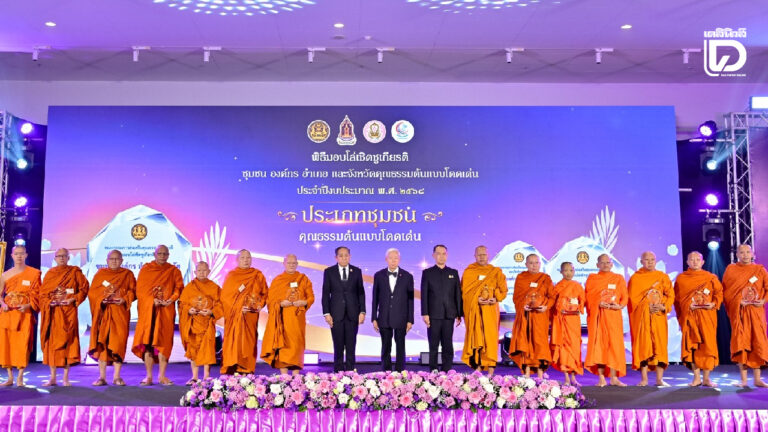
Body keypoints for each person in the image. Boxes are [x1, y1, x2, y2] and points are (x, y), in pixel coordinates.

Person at [131, 245, 184, 386]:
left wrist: (171, 299)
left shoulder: (173, 270)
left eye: (165, 254)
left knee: (163, 343)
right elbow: (140, 291)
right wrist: (151, 300)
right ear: (154, 254)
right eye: (159, 253)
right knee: (148, 343)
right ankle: (149, 376)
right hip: (149, 312)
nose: (162, 256)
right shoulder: (146, 269)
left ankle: (162, 376)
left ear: (168, 255)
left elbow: (179, 288)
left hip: (166, 310)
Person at [39, 248, 89, 386]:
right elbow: (42, 294)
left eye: (64, 256)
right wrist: (49, 302)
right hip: (53, 314)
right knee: (52, 346)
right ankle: (53, 378)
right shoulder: (50, 274)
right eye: (59, 256)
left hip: (68, 313)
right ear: (55, 258)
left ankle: (65, 378)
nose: (61, 258)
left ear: (68, 258)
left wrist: (73, 299)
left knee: (68, 343)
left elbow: (84, 289)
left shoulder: (75, 272)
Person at [674, 251, 722, 387]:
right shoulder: (681, 279)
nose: (695, 262)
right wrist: (686, 307)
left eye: (697, 259)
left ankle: (706, 378)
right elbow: (677, 299)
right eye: (692, 259)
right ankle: (696, 378)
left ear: (702, 262)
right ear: (687, 262)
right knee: (692, 346)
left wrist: (713, 304)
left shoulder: (710, 277)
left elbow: (719, 293)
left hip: (707, 316)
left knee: (708, 346)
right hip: (690, 317)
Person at [722, 244, 768, 387]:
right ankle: (743, 380)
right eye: (742, 252)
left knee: (758, 342)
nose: (745, 255)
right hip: (740, 313)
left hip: (756, 312)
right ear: (737, 255)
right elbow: (726, 292)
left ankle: (757, 379)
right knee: (741, 343)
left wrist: (763, 301)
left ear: (752, 254)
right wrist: (738, 301)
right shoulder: (731, 270)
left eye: (748, 252)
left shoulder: (760, 270)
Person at [88, 250, 136, 386]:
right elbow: (92, 293)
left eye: (117, 259)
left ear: (122, 261)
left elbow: (133, 291)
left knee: (118, 344)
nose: (114, 261)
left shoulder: (127, 274)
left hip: (120, 313)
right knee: (102, 343)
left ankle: (117, 377)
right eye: (112, 259)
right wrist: (101, 299)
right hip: (104, 314)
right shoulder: (101, 274)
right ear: (107, 260)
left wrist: (125, 298)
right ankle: (102, 377)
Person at [261, 254, 314, 375]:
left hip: (297, 319)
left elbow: (311, 297)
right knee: (284, 346)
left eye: (294, 263)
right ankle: (284, 376)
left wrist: (304, 302)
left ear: (297, 264)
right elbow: (270, 300)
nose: (291, 265)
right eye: (289, 263)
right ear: (284, 264)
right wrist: (280, 303)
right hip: (283, 319)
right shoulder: (278, 280)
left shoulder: (303, 279)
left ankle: (296, 376)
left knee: (297, 345)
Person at [627, 251, 674, 387]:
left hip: (658, 316)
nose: (650, 262)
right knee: (644, 346)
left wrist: (662, 306)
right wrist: (647, 307)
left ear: (656, 261)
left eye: (652, 259)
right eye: (647, 260)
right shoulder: (636, 278)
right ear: (641, 262)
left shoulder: (662, 276)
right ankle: (644, 379)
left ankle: (659, 379)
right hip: (642, 319)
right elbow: (632, 300)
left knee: (660, 346)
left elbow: (670, 295)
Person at [461, 246, 507, 375]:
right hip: (475, 312)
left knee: (490, 339)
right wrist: (476, 299)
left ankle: (491, 369)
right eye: (479, 255)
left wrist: (495, 298)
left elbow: (503, 291)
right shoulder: (469, 271)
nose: (482, 257)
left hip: (490, 311)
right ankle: (478, 367)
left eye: (484, 254)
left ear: (488, 255)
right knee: (477, 337)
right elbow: (464, 293)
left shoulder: (495, 271)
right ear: (475, 256)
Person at [221, 249, 268, 374]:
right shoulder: (232, 275)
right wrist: (238, 308)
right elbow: (225, 298)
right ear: (237, 260)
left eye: (248, 257)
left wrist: (258, 306)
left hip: (250, 316)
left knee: (249, 342)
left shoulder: (257, 275)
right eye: (243, 258)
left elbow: (264, 294)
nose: (246, 260)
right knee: (235, 341)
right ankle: (233, 368)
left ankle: (247, 370)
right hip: (235, 316)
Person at [584, 253, 628, 387]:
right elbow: (588, 297)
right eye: (602, 263)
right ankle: (601, 378)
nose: (605, 265)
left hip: (613, 316)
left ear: (611, 264)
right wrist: (598, 302)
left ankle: (614, 378)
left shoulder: (618, 278)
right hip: (598, 317)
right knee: (600, 347)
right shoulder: (593, 278)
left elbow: (625, 296)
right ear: (597, 265)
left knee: (615, 346)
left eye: (608, 262)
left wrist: (620, 305)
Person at [0, 246, 41, 387]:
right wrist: (3, 304)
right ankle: (10, 377)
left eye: (21, 254)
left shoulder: (34, 273)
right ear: (12, 256)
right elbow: (0, 296)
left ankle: (20, 377)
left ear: (26, 255)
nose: (19, 256)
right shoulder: (5, 275)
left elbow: (38, 295)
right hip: (8, 314)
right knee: (7, 344)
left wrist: (28, 306)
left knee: (23, 344)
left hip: (24, 314)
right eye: (16, 254)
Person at [509, 253, 554, 378]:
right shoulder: (521, 277)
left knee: (540, 344)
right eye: (531, 263)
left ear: (540, 264)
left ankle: (540, 375)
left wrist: (546, 306)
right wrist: (522, 305)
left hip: (540, 316)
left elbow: (552, 297)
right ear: (526, 264)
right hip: (526, 316)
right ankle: (527, 374)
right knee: (526, 342)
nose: (534, 265)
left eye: (536, 262)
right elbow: (516, 297)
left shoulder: (545, 278)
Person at [321, 246, 365, 372]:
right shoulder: (329, 271)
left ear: (350, 256)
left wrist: (362, 311)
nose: (344, 258)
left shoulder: (357, 271)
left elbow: (361, 293)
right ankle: (338, 373)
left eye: (346, 255)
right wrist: (326, 313)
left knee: (351, 346)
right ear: (336, 257)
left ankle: (351, 373)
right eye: (341, 255)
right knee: (338, 346)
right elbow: (325, 294)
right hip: (336, 314)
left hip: (353, 314)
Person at [179, 261, 223, 385]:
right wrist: (189, 310)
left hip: (207, 323)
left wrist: (211, 312)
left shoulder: (214, 287)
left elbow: (221, 304)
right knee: (193, 350)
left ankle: (206, 377)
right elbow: (182, 304)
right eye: (199, 270)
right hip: (193, 323)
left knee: (208, 350)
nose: (202, 273)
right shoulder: (189, 287)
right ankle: (194, 377)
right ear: (195, 272)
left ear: (208, 271)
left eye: (204, 270)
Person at [420, 244, 463, 372]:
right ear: (434, 255)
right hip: (433, 315)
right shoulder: (427, 273)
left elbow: (457, 294)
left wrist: (459, 313)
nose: (441, 256)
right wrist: (425, 313)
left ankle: (447, 371)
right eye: (438, 254)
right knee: (433, 345)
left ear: (447, 255)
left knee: (448, 345)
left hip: (449, 315)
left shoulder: (453, 273)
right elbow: (424, 294)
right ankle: (433, 371)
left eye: (444, 254)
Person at [371, 248, 414, 372]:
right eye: (391, 258)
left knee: (400, 346)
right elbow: (375, 298)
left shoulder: (407, 276)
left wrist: (410, 320)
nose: (393, 260)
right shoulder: (378, 275)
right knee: (385, 347)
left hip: (401, 317)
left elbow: (410, 300)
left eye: (396, 258)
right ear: (386, 259)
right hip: (384, 317)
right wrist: (374, 318)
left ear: (399, 259)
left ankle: (401, 373)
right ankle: (386, 373)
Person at [550, 262, 585, 385]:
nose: (568, 273)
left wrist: (579, 307)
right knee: (564, 348)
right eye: (565, 270)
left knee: (575, 348)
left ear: (574, 271)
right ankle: (566, 378)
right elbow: (553, 304)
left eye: (571, 270)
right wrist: (559, 308)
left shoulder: (577, 286)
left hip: (574, 321)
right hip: (562, 321)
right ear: (561, 272)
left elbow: (582, 301)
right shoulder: (558, 287)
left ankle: (574, 378)